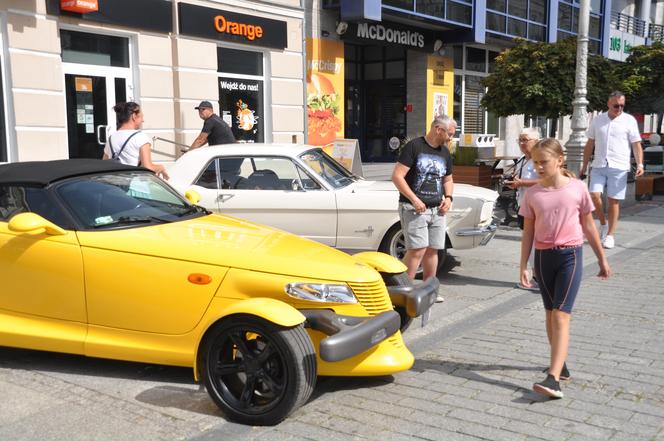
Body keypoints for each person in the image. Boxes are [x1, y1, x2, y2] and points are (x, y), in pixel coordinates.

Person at [519, 138, 611, 399]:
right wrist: (523, 265)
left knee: (561, 314)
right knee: (549, 314)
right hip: (543, 258)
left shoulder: (577, 189)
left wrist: (602, 259)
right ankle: (561, 366)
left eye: (543, 162)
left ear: (559, 160)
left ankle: (553, 378)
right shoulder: (534, 194)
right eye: (535, 162)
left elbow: (589, 227)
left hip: (570, 256)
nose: (538, 167)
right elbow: (528, 233)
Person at [391, 115, 455, 302]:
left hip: (437, 209)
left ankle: (429, 290)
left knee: (433, 249)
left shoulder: (444, 152)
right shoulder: (414, 147)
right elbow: (397, 176)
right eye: (449, 134)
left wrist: (449, 198)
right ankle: (404, 291)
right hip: (413, 208)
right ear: (438, 129)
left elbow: (448, 179)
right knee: (417, 249)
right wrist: (414, 199)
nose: (451, 138)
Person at [580, 91, 644, 249]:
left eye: (622, 105)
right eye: (616, 105)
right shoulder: (598, 120)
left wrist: (640, 164)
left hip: (619, 166)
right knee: (594, 195)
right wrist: (584, 164)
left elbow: (636, 144)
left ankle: (610, 235)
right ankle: (603, 224)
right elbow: (590, 143)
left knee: (613, 201)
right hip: (599, 164)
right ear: (608, 104)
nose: (619, 108)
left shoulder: (629, 120)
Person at [506, 127, 541, 290]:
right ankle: (535, 275)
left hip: (537, 207)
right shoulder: (522, 159)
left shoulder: (540, 159)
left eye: (525, 139)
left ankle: (538, 277)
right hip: (523, 205)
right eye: (519, 139)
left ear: (536, 141)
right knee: (530, 242)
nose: (521, 143)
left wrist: (522, 183)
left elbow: (548, 180)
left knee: (535, 243)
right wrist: (514, 183)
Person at [103, 102, 168, 179]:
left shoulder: (111, 138)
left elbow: (104, 164)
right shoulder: (141, 137)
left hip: (116, 186)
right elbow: (148, 167)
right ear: (134, 116)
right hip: (135, 186)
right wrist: (161, 167)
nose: (143, 120)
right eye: (141, 117)